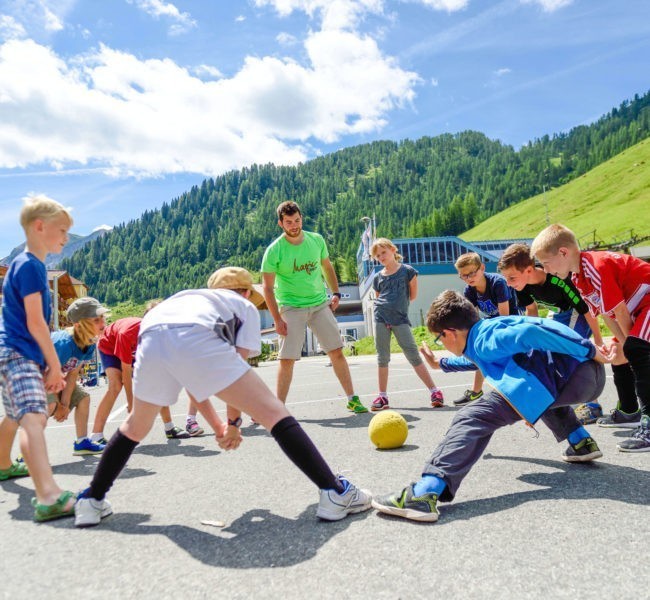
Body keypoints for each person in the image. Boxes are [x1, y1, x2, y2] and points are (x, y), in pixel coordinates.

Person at [74, 267, 371, 527]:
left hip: (151, 333)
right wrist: (233, 424)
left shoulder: (190, 299)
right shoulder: (242, 308)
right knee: (273, 411)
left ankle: (91, 499)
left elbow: (195, 376)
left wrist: (219, 427)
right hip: (187, 333)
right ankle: (335, 492)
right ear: (245, 291)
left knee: (135, 426)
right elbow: (235, 369)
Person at [371, 290, 614, 522]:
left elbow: (531, 330)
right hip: (582, 379)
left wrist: (590, 349)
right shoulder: (482, 335)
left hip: (572, 374)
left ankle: (424, 492)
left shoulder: (486, 336)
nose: (440, 343)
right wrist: (441, 363)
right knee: (541, 396)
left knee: (472, 417)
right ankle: (580, 442)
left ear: (450, 333)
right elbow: (481, 358)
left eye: (439, 338)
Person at [531, 224, 650, 452]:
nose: (545, 270)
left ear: (564, 253)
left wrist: (630, 347)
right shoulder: (578, 278)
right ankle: (629, 410)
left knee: (634, 350)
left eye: (546, 263)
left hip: (646, 302)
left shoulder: (598, 266)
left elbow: (622, 312)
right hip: (638, 309)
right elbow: (608, 314)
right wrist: (621, 345)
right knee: (619, 355)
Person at [0, 194, 75, 521]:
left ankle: (3, 464)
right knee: (34, 418)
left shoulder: (26, 265)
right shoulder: (30, 265)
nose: (66, 237)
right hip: (19, 353)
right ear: (40, 226)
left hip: (13, 352)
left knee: (19, 416)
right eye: (62, 230)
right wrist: (54, 365)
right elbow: (36, 323)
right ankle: (47, 496)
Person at [497, 242, 628, 425]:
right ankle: (563, 399)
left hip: (578, 313)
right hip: (559, 314)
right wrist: (531, 338)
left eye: (511, 278)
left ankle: (593, 406)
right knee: (546, 352)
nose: (509, 284)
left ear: (528, 270)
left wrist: (598, 339)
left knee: (571, 352)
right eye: (506, 279)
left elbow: (586, 310)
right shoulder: (522, 286)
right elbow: (531, 311)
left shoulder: (558, 279)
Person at [261, 201, 367, 413]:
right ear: (280, 223)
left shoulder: (316, 240)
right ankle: (277, 408)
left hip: (319, 304)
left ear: (302, 218)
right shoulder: (274, 251)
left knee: (336, 351)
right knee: (287, 359)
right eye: (289, 222)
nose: (294, 225)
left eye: (297, 220)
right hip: (291, 307)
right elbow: (268, 288)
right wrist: (278, 319)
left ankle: (352, 398)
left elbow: (327, 267)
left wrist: (335, 293)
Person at [89, 314, 189, 444]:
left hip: (132, 347)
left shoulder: (160, 336)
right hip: (109, 346)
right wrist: (131, 404)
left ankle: (170, 428)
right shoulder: (127, 334)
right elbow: (126, 372)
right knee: (116, 386)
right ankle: (96, 435)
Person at [369, 238, 444, 410]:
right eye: (377, 255)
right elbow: (380, 297)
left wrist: (396, 309)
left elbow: (412, 295)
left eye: (383, 252)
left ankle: (435, 391)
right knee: (382, 357)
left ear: (393, 250)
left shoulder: (408, 271)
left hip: (400, 318)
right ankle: (382, 397)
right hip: (380, 317)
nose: (381, 257)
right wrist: (386, 310)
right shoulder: (377, 277)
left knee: (413, 355)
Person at [453, 252, 519, 406]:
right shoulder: (469, 291)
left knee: (509, 356)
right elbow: (473, 319)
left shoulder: (498, 283)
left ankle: (514, 392)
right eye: (464, 276)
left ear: (482, 268)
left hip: (512, 322)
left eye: (472, 273)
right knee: (480, 351)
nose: (469, 278)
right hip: (492, 322)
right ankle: (476, 392)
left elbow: (505, 317)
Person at [46, 297, 109, 455]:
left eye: (102, 318)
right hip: (37, 377)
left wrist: (65, 404)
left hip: (55, 379)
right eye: (96, 320)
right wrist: (58, 406)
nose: (102, 324)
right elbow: (46, 375)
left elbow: (72, 374)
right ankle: (26, 453)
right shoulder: (64, 344)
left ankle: (81, 443)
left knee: (83, 398)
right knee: (49, 405)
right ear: (78, 325)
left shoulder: (89, 343)